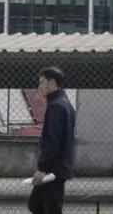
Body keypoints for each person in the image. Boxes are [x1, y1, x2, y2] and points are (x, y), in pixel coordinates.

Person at [28, 66, 76, 214]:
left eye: (42, 82)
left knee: (48, 208)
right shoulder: (65, 103)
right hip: (58, 167)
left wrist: (42, 168)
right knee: (36, 204)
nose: (39, 87)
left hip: (53, 170)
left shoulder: (56, 106)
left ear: (53, 83)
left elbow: (52, 140)